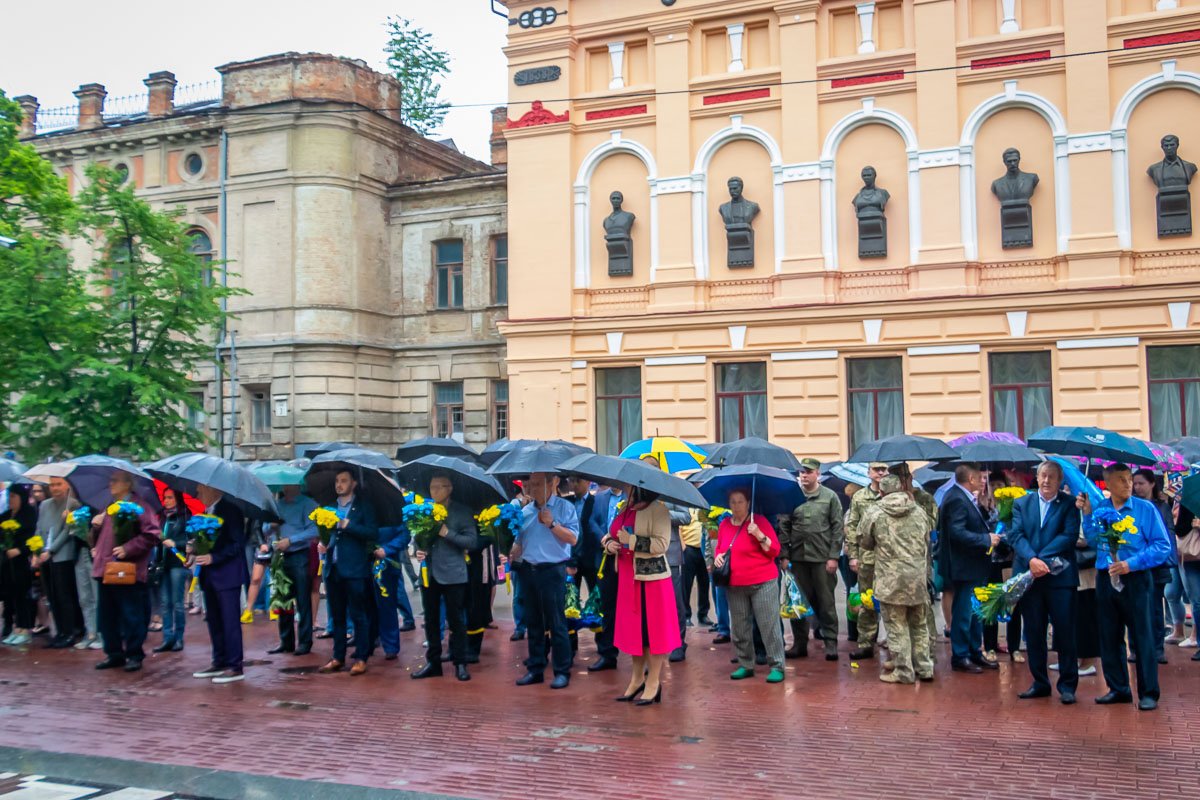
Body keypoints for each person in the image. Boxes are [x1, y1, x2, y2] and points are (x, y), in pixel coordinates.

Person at [1078, 464, 1173, 710]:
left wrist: (1131, 564)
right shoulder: (1102, 508)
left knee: (1142, 636)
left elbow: (1162, 546)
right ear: (1108, 484)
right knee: (1109, 635)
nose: (1128, 484)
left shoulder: (1145, 509)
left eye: (1129, 479)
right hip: (1106, 576)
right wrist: (1087, 514)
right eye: (1121, 480)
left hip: (1136, 578)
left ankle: (1148, 692)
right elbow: (1093, 541)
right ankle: (1118, 688)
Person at [1008, 461, 1082, 704]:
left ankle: (1068, 686)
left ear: (1060, 481)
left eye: (1052, 477)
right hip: (1030, 577)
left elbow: (1069, 536)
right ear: (1037, 478)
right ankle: (1040, 682)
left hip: (1060, 578)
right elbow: (1016, 535)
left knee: (1065, 631)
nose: (1047, 481)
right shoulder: (1022, 503)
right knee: (1034, 631)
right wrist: (1031, 560)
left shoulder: (1069, 504)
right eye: (1043, 476)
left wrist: (1041, 559)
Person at [604, 486, 680, 704]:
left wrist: (631, 540)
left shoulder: (659, 510)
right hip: (627, 578)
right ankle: (637, 679)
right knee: (634, 632)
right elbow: (610, 534)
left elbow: (661, 544)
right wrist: (609, 544)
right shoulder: (625, 509)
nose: (625, 488)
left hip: (652, 580)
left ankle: (653, 681)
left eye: (629, 486)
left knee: (653, 632)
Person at [860, 475, 933, 684]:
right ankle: (925, 667)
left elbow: (864, 541)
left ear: (881, 492)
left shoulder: (874, 512)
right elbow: (928, 538)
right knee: (919, 624)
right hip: (917, 577)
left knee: (896, 625)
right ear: (901, 488)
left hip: (890, 579)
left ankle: (904, 671)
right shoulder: (918, 511)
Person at [513, 471, 579, 689]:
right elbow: (519, 543)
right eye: (530, 484)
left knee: (556, 622)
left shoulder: (564, 508)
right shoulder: (525, 512)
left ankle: (561, 671)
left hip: (553, 571)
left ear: (553, 483)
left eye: (538, 483)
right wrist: (509, 550)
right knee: (533, 622)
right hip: (529, 570)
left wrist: (552, 524)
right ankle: (536, 668)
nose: (532, 488)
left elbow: (573, 539)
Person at [411, 473, 479, 682]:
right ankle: (433, 662)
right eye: (432, 487)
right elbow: (417, 536)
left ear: (449, 489)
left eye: (439, 487)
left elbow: (472, 542)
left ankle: (460, 662)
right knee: (431, 620)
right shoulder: (425, 510)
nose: (434, 491)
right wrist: (419, 549)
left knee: (456, 620)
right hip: (429, 573)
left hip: (453, 573)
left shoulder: (462, 511)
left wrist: (447, 533)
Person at [90, 472, 161, 672]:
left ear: (128, 484)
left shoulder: (140, 506)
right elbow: (101, 538)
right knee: (107, 616)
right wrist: (94, 527)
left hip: (128, 572)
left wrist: (128, 548)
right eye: (110, 479)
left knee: (131, 614)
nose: (110, 483)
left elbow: (152, 534)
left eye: (115, 480)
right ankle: (114, 653)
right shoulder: (109, 507)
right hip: (106, 570)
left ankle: (134, 654)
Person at [715, 487, 785, 683]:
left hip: (763, 582)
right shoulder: (724, 525)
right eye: (733, 502)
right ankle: (745, 664)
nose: (736, 506)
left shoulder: (759, 521)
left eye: (740, 501)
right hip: (735, 583)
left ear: (748, 503)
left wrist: (759, 534)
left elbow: (774, 550)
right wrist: (718, 557)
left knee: (768, 625)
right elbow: (720, 548)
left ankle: (777, 665)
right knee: (739, 627)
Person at [779, 457, 843, 661]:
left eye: (808, 472)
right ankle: (799, 644)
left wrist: (833, 557)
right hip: (798, 559)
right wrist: (784, 555)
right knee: (798, 603)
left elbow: (838, 528)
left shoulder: (830, 497)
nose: (804, 475)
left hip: (822, 558)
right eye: (801, 472)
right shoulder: (792, 497)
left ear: (817, 473)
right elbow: (784, 527)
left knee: (826, 603)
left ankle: (830, 642)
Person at [939, 463, 1001, 674]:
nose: (984, 481)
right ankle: (960, 655)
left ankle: (974, 651)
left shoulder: (966, 497)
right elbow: (957, 532)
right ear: (971, 479)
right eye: (981, 478)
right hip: (964, 567)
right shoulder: (956, 498)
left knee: (975, 612)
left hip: (974, 566)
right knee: (964, 612)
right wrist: (985, 539)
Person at [318, 470, 379, 677]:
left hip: (355, 568)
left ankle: (361, 657)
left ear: (353, 483)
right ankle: (338, 656)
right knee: (337, 615)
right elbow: (327, 534)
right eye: (337, 481)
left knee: (358, 614)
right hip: (333, 567)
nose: (339, 484)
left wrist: (348, 525)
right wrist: (323, 543)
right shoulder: (330, 507)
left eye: (344, 481)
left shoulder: (363, 506)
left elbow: (372, 532)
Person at [190, 484, 248, 684]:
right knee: (214, 620)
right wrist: (194, 548)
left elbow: (237, 543)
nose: (197, 493)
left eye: (200, 489)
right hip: (209, 575)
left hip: (227, 574)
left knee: (230, 621)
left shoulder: (230, 510)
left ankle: (235, 665)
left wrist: (213, 557)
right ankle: (219, 660)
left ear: (212, 489)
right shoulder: (207, 511)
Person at [1132, 469, 1178, 664]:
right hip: (1135, 564)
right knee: (1135, 609)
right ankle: (1136, 649)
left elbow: (1168, 535)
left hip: (1157, 565)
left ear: (1152, 484)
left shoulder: (1162, 507)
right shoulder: (1131, 505)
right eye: (1135, 483)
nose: (1137, 487)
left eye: (1141, 483)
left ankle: (1157, 648)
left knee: (1155, 609)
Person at [267, 484, 318, 656]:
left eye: (289, 483)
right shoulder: (277, 505)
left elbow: (314, 529)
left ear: (297, 484)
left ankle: (305, 641)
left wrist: (291, 540)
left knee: (303, 599)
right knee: (284, 600)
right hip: (280, 557)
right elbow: (264, 528)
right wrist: (271, 526)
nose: (285, 487)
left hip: (299, 555)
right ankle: (286, 640)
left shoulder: (308, 504)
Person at [845, 462, 888, 659]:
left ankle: (893, 642)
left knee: (891, 601)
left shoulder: (893, 496)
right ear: (869, 473)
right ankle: (865, 643)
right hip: (867, 558)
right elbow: (852, 526)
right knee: (867, 601)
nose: (880, 472)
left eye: (884, 469)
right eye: (876, 469)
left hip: (890, 559)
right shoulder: (860, 497)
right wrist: (853, 555)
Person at [36, 477, 82, 648]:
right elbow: (39, 528)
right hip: (44, 555)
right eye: (52, 485)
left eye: (58, 484)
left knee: (64, 595)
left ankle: (70, 632)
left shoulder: (73, 504)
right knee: (52, 595)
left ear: (66, 485)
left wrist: (51, 550)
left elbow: (68, 531)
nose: (54, 488)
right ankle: (60, 631)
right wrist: (37, 550)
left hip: (62, 555)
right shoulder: (44, 505)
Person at [587, 483, 624, 670]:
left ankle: (640, 654)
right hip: (604, 557)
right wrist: (605, 539)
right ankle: (607, 653)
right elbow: (592, 522)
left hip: (626, 557)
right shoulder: (600, 497)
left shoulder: (631, 498)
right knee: (607, 607)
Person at [153, 487, 192, 653]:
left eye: (170, 498)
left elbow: (191, 541)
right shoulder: (161, 517)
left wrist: (175, 543)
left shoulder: (185, 516)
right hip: (163, 563)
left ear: (177, 499)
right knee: (165, 602)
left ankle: (179, 637)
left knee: (177, 603)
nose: (166, 501)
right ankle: (167, 638)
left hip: (177, 563)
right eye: (165, 498)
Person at [1, 484, 39, 646]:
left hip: (22, 561)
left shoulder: (29, 514)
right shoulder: (6, 515)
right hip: (7, 562)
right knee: (10, 595)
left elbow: (33, 537)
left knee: (23, 594)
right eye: (9, 496)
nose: (10, 500)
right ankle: (15, 628)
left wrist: (19, 550)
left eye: (13, 497)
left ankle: (25, 628)